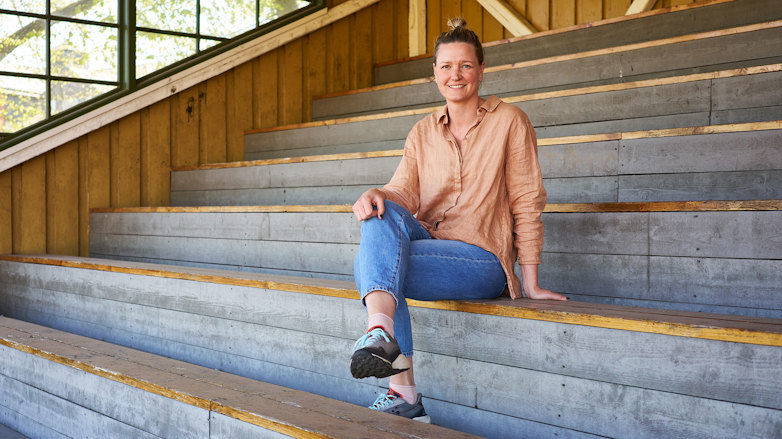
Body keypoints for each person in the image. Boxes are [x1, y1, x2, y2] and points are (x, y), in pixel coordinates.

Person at [349, 18, 567, 423]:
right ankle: (382, 335)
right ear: (434, 73)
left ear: (481, 70)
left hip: (481, 260)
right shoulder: (421, 132)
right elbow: (402, 194)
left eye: (465, 65)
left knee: (370, 265)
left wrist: (531, 280)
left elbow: (526, 199)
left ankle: (402, 387)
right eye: (446, 66)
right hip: (433, 244)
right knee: (379, 213)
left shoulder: (510, 121)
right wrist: (377, 193)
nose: (456, 75)